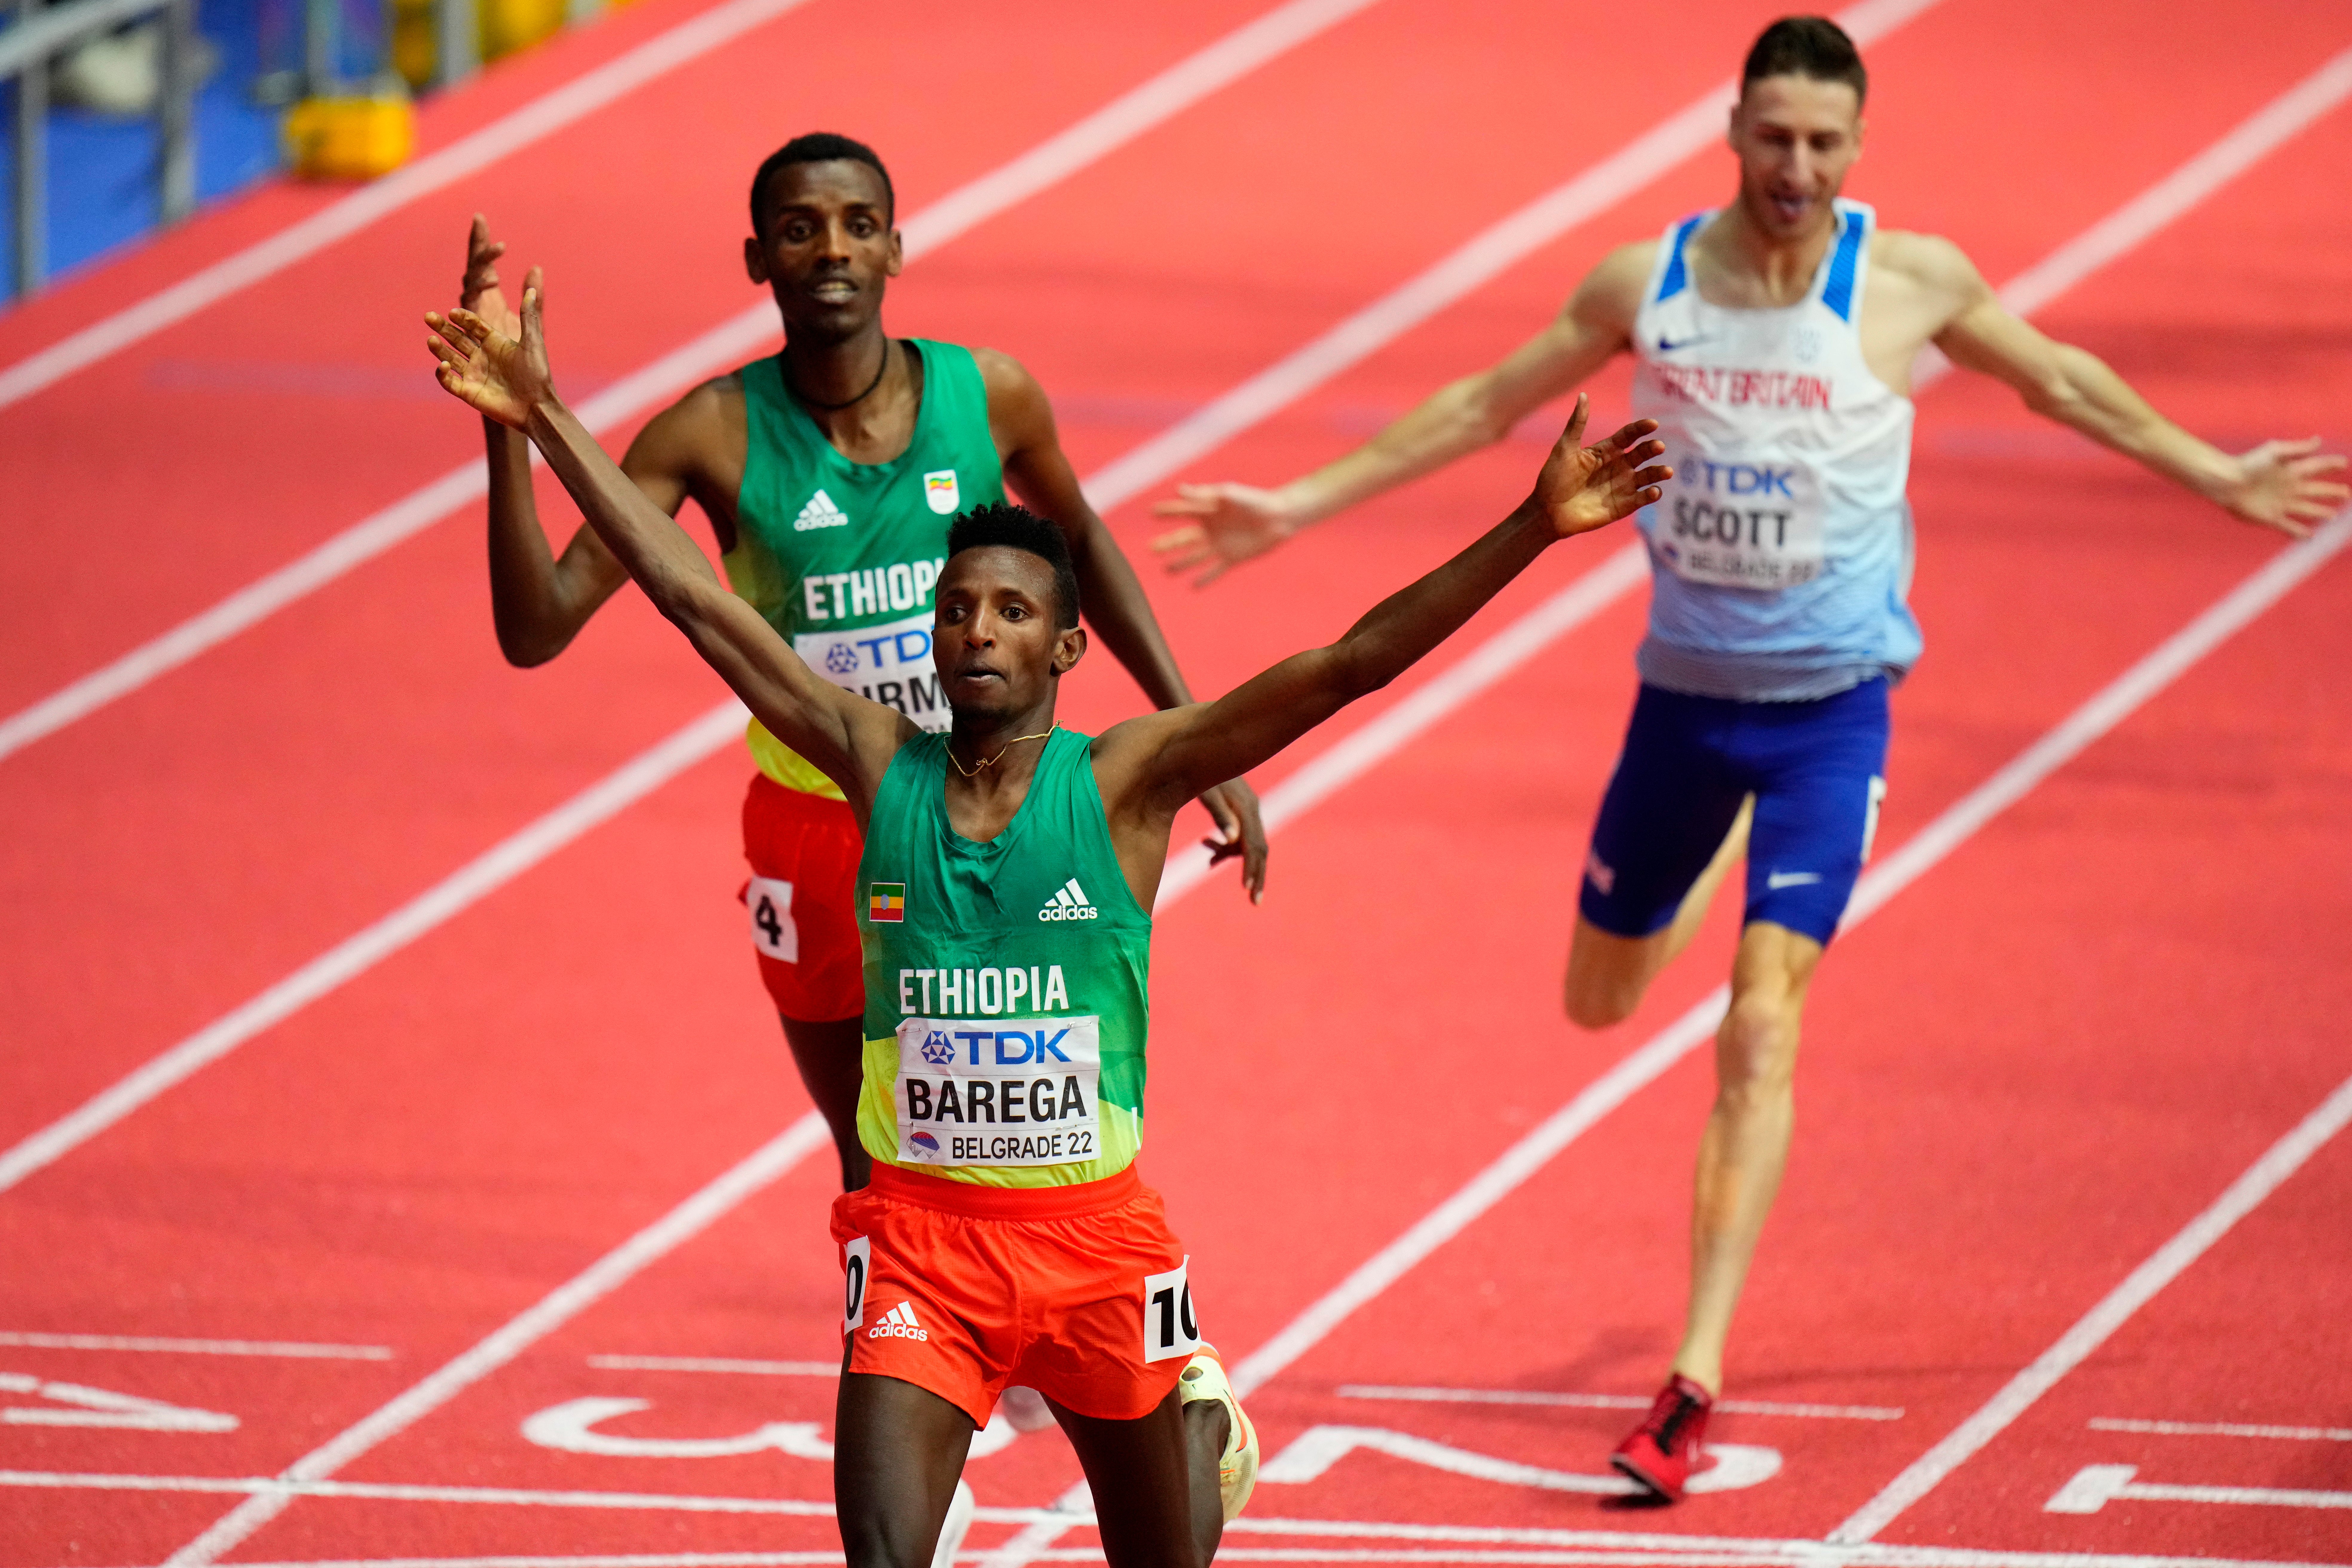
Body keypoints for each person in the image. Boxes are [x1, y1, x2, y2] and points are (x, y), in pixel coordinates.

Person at [1149, 15, 2348, 1503]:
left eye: (1826, 143)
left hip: (1831, 716)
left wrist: (2217, 471)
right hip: (1682, 710)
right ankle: (1706, 850)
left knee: (1762, 1021)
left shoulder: (1910, 285)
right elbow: (1484, 407)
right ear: (1733, 129)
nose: (1799, 167)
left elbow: (2067, 385)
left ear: (1859, 145)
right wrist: (1294, 506)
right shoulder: (1644, 288)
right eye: (1775, 138)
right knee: (1596, 1003)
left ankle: (1689, 1382)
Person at [423, 267, 1669, 1564]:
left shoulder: (1128, 784)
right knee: (886, 1552)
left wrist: (1531, 525)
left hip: (1095, 1244)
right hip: (920, 1244)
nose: (976, 631)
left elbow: (1348, 663)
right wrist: (543, 413)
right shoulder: (872, 757)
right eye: (958, 609)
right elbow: (695, 596)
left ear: (1066, 649)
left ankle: (1198, 1421)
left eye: (1012, 612)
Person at [457, 132, 1267, 1201]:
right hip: (814, 828)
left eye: (857, 225)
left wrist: (1192, 728)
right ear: (760, 261)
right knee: (872, 1163)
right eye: (800, 230)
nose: (831, 249)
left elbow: (1086, 551)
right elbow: (538, 627)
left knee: (1005, 1134)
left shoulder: (993, 399)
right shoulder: (712, 432)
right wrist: (511, 428)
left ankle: (1020, 1342)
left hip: (984, 816)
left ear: (896, 249)